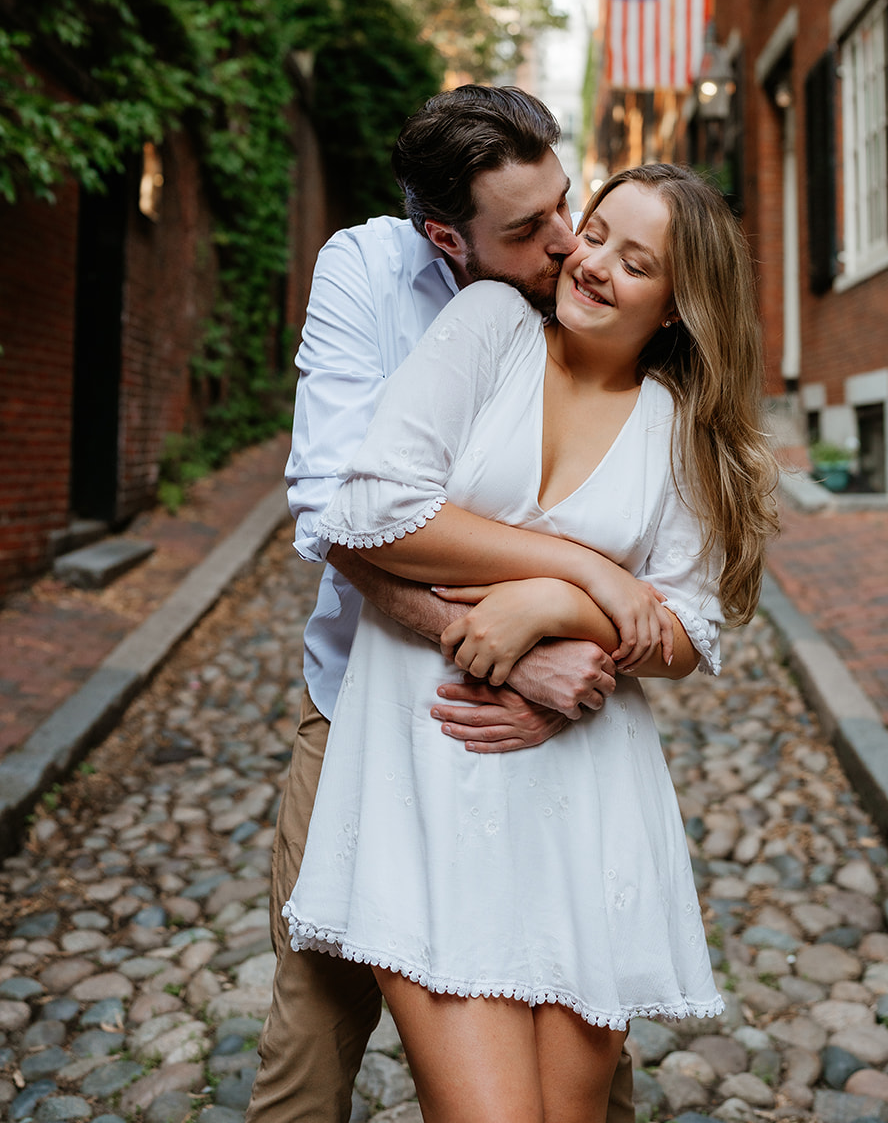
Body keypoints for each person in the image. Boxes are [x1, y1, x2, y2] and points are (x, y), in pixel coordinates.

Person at [284, 163, 779, 1123]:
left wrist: (546, 607)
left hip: (585, 794)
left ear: (678, 306)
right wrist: (584, 574)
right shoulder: (491, 331)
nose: (592, 264)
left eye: (636, 263)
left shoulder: (676, 429)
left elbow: (688, 628)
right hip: (430, 762)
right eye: (595, 234)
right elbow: (374, 510)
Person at [249, 87, 660, 1123]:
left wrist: (579, 617)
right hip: (365, 702)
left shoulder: (587, 291)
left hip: (549, 743)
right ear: (445, 235)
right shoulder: (369, 273)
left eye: (565, 204)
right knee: (314, 1022)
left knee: (586, 1050)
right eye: (527, 230)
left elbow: (666, 550)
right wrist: (503, 637)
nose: (567, 244)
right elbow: (336, 514)